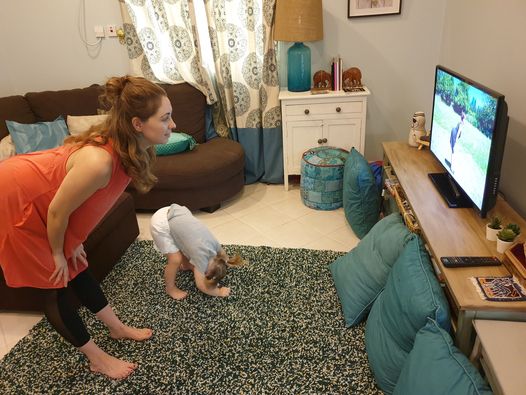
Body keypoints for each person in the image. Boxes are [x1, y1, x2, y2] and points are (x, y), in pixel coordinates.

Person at [0, 76, 175, 379]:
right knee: (56, 284)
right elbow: (57, 210)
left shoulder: (131, 149)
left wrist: (72, 241)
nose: (172, 125)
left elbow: (79, 207)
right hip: (16, 198)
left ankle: (116, 328)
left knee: (78, 264)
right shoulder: (99, 162)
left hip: (45, 198)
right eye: (166, 118)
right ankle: (97, 359)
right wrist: (57, 251)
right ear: (137, 123)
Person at [150, 204, 243, 300]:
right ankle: (170, 288)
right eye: (205, 274)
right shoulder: (201, 260)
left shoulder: (215, 246)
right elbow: (201, 286)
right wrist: (219, 292)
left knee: (186, 244)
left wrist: (228, 261)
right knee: (175, 260)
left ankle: (186, 265)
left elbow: (223, 254)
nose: (203, 274)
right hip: (161, 223)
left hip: (175, 211)